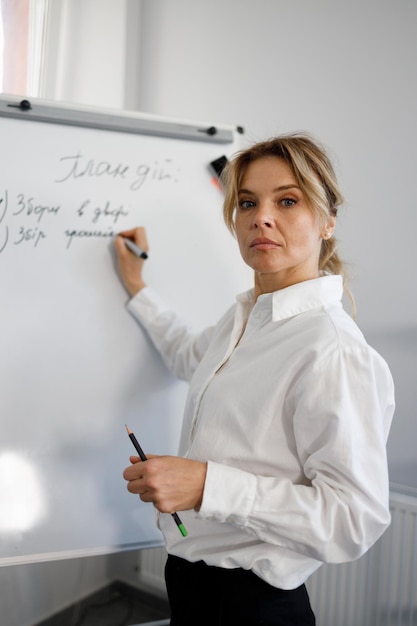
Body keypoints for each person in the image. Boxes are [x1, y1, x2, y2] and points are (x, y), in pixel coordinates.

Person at [115, 133, 395, 626]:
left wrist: (207, 485)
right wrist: (137, 288)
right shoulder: (245, 317)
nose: (261, 217)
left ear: (327, 221)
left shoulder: (331, 348)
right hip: (190, 580)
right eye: (247, 202)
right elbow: (186, 354)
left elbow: (353, 521)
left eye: (287, 200)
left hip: (253, 605)